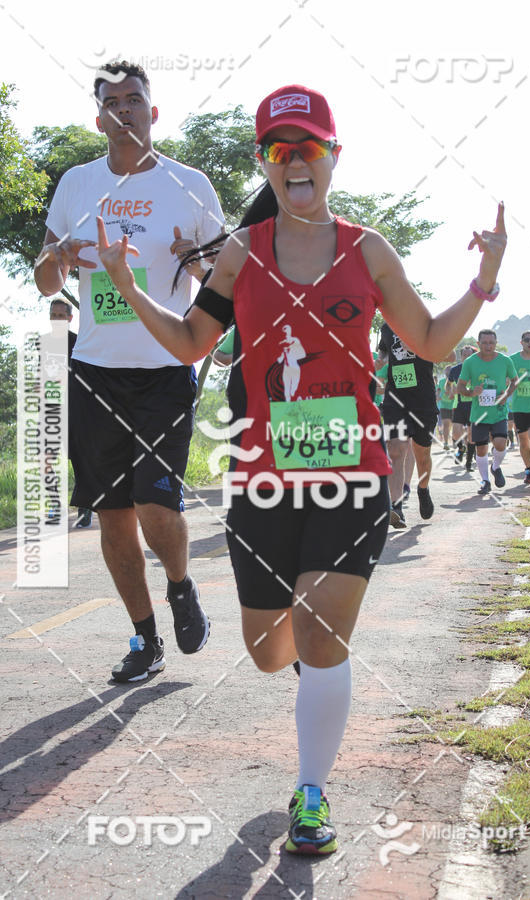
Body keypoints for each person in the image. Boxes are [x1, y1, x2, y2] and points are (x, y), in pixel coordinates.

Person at [94, 83, 506, 854]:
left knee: (321, 636)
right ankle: (312, 682)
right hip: (263, 478)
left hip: (352, 473)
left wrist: (483, 283)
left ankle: (311, 795)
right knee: (267, 652)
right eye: (280, 150)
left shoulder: (368, 248)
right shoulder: (244, 252)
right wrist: (127, 287)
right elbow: (191, 342)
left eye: (309, 147)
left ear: (333, 158)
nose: (296, 161)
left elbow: (428, 341)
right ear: (265, 163)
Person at [34, 60, 224, 683]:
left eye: (134, 100)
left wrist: (191, 270)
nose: (124, 111)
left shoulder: (189, 185)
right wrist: (57, 260)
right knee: (112, 513)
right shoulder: (77, 186)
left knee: (154, 502)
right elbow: (44, 279)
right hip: (95, 371)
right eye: (111, 102)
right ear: (99, 118)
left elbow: (221, 279)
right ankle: (145, 640)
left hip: (165, 366)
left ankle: (180, 585)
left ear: (153, 111)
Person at [379, 326, 455, 527]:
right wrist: (377, 360)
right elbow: (383, 353)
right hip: (395, 398)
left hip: (423, 400)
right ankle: (396, 507)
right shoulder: (386, 327)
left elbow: (451, 356)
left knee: (422, 456)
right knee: (395, 449)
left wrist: (419, 346)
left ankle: (423, 488)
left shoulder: (425, 323)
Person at [49, 298, 94, 528]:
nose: (57, 320)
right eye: (53, 315)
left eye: (60, 316)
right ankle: (54, 506)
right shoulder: (42, 344)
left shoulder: (80, 343)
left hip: (77, 411)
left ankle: (85, 509)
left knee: (80, 462)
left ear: (69, 318)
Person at [457, 329, 517, 494]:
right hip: (479, 414)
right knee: (481, 449)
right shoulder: (470, 362)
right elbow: (460, 387)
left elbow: (515, 381)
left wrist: (506, 395)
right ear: (478, 344)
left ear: (496, 343)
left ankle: (495, 467)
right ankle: (485, 481)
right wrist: (471, 392)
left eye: (491, 343)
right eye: (484, 343)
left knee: (500, 444)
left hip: (499, 412)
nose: (488, 346)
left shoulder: (505, 361)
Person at [510, 331, 530, 484]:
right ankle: (528, 469)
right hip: (519, 407)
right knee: (524, 441)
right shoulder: (512, 360)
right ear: (521, 342)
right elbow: (506, 379)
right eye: (527, 340)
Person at [448, 344, 476, 471]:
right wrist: (450, 392)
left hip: (474, 405)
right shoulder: (455, 370)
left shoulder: (479, 368)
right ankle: (460, 448)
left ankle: (469, 463)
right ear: (461, 356)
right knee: (455, 433)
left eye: (469, 355)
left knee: (471, 435)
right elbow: (448, 385)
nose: (467, 357)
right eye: (464, 355)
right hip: (458, 405)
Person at [438, 366, 456, 450]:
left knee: (454, 425)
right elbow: (437, 391)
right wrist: (437, 396)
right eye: (447, 371)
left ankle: (454, 441)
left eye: (450, 371)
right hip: (444, 406)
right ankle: (445, 443)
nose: (448, 372)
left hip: (454, 406)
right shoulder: (441, 382)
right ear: (445, 372)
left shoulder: (455, 381)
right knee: (446, 425)